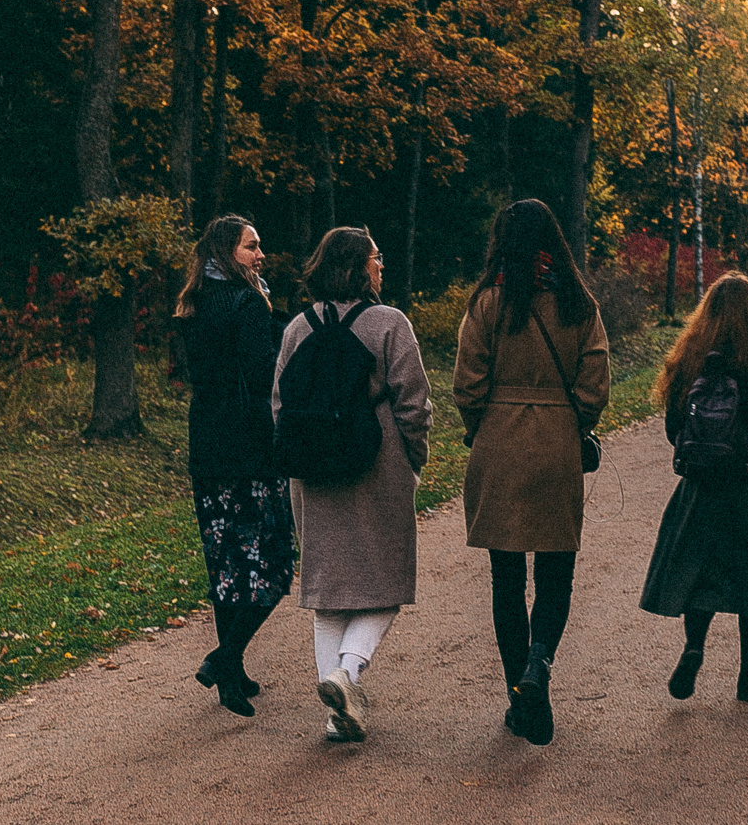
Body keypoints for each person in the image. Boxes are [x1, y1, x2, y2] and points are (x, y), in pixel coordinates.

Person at [452, 198, 610, 746]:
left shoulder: (488, 302)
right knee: (556, 573)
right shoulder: (577, 302)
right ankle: (538, 667)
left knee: (506, 577)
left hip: (498, 442)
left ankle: (517, 688)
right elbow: (595, 380)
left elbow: (467, 382)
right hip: (557, 446)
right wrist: (574, 421)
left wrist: (482, 426)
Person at [273, 227, 431, 745]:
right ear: (359, 267)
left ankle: (333, 707)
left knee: (327, 590)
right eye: (377, 257)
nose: (381, 265)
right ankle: (348, 673)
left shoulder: (299, 326)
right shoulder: (389, 323)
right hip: (377, 461)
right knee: (386, 579)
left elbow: (280, 402)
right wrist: (414, 458)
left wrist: (297, 457)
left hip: (312, 470)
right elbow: (413, 402)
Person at [639, 273, 748, 702]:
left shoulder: (690, 358)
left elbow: (674, 427)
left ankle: (694, 647)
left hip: (700, 487)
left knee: (699, 569)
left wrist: (705, 447)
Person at [175, 215, 293, 718]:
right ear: (228, 252)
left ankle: (233, 670)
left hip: (206, 444)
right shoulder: (248, 303)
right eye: (252, 246)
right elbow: (267, 376)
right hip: (250, 449)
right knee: (277, 561)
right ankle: (223, 658)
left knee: (225, 564)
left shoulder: (190, 305)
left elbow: (189, 372)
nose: (260, 254)